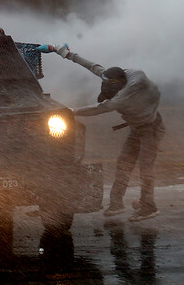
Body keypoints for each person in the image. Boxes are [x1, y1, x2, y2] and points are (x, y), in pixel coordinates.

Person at [37, 43, 165, 222]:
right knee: (124, 164)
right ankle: (116, 204)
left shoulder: (122, 97)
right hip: (137, 128)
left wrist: (70, 111)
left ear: (118, 89)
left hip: (151, 129)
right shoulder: (116, 77)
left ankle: (149, 207)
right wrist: (63, 52)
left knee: (145, 168)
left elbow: (98, 108)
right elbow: (93, 66)